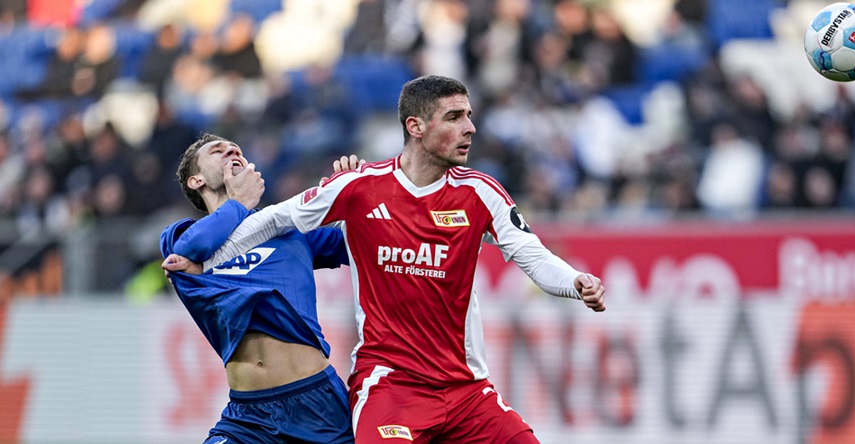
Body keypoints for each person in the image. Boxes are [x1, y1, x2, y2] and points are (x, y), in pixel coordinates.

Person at [173, 76, 606, 444]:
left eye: (469, 116)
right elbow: (245, 229)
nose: (470, 128)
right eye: (455, 117)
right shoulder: (354, 189)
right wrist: (214, 254)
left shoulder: (481, 192)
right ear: (415, 126)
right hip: (376, 387)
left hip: (457, 389)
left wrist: (575, 281)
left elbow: (532, 256)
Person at [159, 133, 360, 444]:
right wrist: (239, 201)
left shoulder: (290, 232)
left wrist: (358, 196)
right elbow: (194, 246)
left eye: (235, 149)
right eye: (217, 151)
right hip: (247, 417)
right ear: (195, 180)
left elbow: (364, 244)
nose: (231, 151)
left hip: (317, 407)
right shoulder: (182, 238)